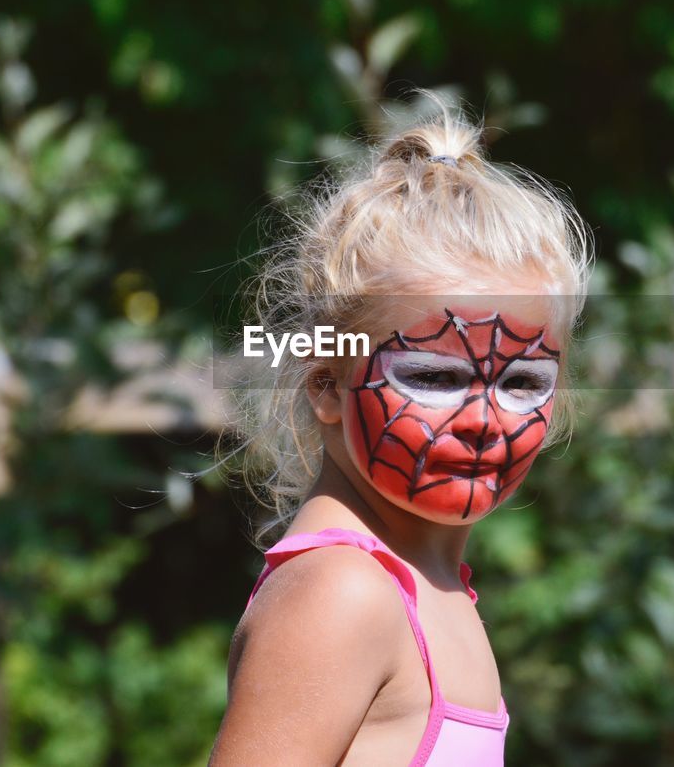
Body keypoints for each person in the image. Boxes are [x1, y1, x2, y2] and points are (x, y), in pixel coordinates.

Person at [208, 104, 593, 766]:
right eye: (434, 378)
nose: (482, 421)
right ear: (329, 383)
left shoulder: (433, 586)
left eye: (523, 383)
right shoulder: (342, 593)